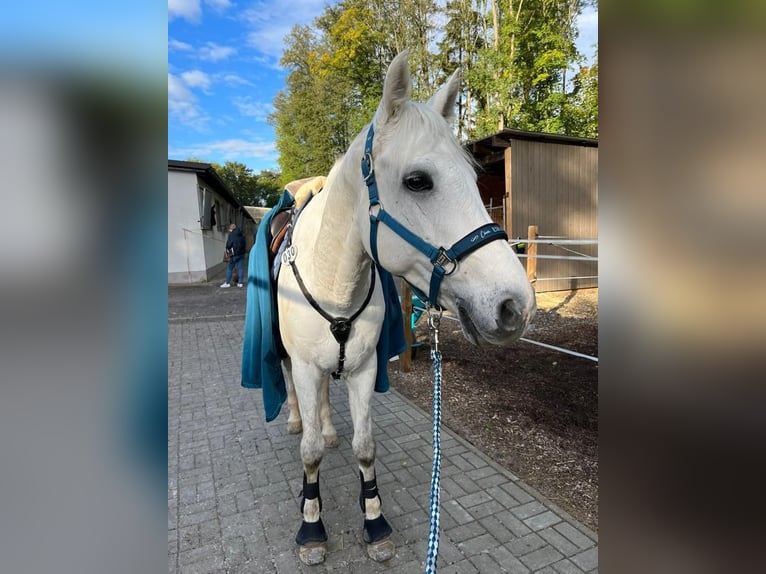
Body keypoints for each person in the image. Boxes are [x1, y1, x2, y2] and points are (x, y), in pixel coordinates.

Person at [220, 223, 246, 288]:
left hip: (234, 255)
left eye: (229, 229)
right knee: (240, 268)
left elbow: (229, 245)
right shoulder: (242, 234)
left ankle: (227, 283)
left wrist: (227, 248)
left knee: (230, 268)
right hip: (241, 254)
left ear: (231, 229)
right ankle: (240, 283)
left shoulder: (231, 235)